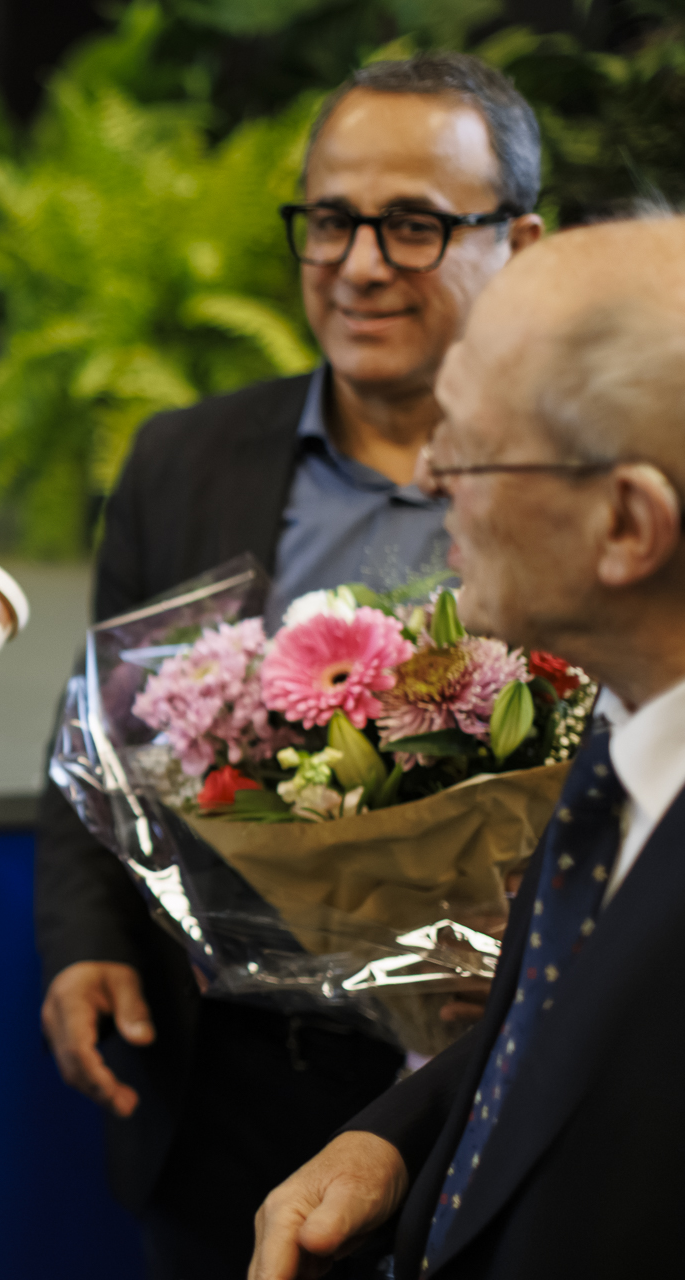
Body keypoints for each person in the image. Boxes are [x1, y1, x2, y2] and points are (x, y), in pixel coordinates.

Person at [33, 53, 544, 1277]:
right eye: (328, 220)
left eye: (412, 224)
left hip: (491, 1084)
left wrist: (526, 949)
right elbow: (101, 730)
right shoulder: (181, 459)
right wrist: (82, 938)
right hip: (221, 1080)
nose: (357, 264)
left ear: (518, 242)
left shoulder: (581, 477)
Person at [250, 213, 685, 1279]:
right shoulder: (625, 741)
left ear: (626, 525)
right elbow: (566, 1045)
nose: (427, 472)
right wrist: (393, 1143)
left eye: (470, 445)